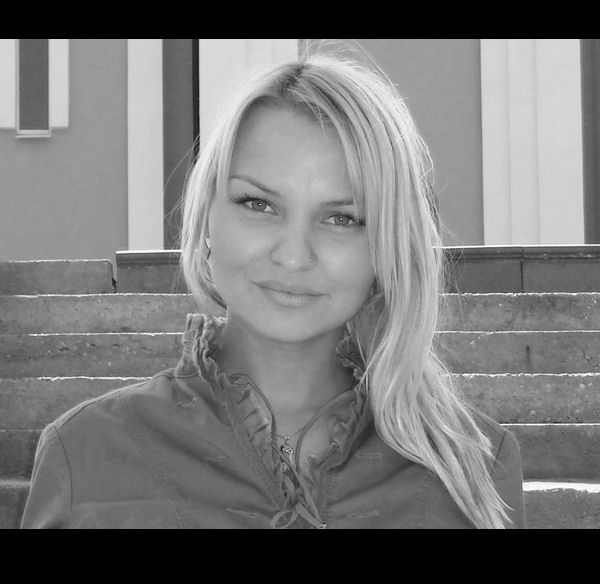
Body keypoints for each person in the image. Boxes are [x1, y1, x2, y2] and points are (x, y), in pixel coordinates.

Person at [21, 42, 525, 529]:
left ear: (388, 246)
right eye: (258, 204)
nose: (292, 255)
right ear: (207, 216)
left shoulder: (473, 466)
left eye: (343, 218)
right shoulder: (85, 453)